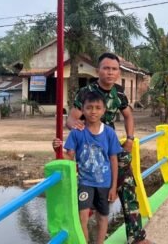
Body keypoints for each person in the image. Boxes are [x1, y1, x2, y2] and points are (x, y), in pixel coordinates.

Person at [65, 52, 152, 244]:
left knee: (128, 187)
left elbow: (128, 115)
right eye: (106, 68)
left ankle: (136, 237)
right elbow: (71, 119)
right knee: (90, 198)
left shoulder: (119, 93)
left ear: (118, 72)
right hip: (91, 150)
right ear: (98, 71)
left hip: (111, 147)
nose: (110, 72)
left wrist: (130, 138)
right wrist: (77, 127)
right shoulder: (86, 92)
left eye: (114, 69)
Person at [53, 91, 122, 244]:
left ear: (104, 110)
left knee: (102, 217)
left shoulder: (109, 133)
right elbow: (69, 157)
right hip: (85, 183)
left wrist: (114, 186)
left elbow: (113, 160)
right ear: (82, 110)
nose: (93, 111)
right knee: (82, 217)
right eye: (89, 107)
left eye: (98, 108)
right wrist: (58, 150)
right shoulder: (77, 133)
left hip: (104, 183)